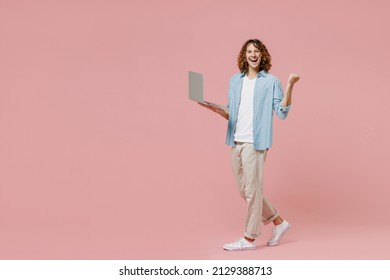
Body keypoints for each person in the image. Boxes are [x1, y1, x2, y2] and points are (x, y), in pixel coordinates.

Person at [199, 39, 300, 251]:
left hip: (256, 142)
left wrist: (290, 85)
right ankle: (279, 223)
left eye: (256, 51)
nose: (253, 54)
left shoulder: (271, 81)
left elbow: (281, 112)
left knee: (253, 190)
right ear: (244, 56)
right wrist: (214, 109)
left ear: (262, 55)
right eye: (249, 51)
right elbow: (232, 113)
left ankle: (249, 238)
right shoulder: (235, 81)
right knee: (245, 190)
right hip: (236, 140)